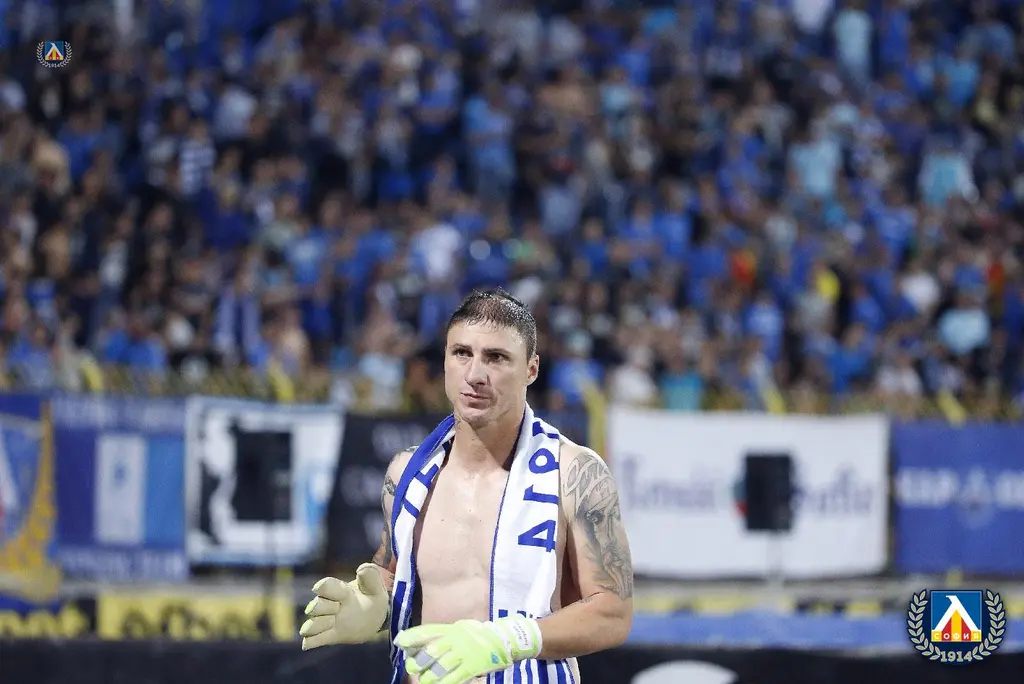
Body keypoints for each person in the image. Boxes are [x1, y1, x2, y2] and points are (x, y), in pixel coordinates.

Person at [299, 288, 634, 684]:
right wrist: (374, 608)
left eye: (496, 357)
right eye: (461, 353)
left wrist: (507, 640)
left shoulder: (574, 473)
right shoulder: (406, 473)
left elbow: (613, 613)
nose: (475, 374)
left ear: (531, 369)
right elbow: (392, 574)